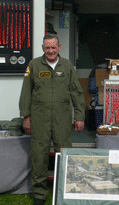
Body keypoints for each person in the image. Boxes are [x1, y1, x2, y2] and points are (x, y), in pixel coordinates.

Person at [19, 34, 85, 205]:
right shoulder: (34, 65)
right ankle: (40, 194)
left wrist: (79, 116)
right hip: (39, 117)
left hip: (62, 118)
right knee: (39, 155)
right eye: (47, 48)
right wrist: (26, 116)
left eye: (53, 47)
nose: (50, 51)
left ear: (59, 47)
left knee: (65, 153)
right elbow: (26, 92)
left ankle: (66, 190)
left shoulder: (67, 66)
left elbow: (76, 92)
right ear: (43, 48)